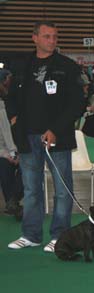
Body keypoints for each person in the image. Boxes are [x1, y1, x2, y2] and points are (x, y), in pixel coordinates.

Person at [8, 20, 84, 251]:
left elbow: (77, 103)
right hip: (27, 137)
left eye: (54, 36)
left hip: (56, 138)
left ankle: (59, 235)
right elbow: (10, 96)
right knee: (31, 189)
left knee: (62, 189)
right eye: (47, 36)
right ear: (35, 38)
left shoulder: (67, 67)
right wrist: (13, 119)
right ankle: (31, 234)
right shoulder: (22, 65)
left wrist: (56, 129)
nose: (52, 40)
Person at [0, 69, 23, 220]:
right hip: (5, 151)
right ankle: (12, 202)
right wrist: (8, 153)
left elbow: (7, 133)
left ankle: (12, 202)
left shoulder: (9, 101)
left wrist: (15, 152)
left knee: (27, 167)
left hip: (14, 148)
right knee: (5, 167)